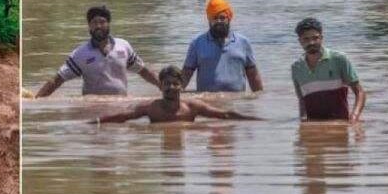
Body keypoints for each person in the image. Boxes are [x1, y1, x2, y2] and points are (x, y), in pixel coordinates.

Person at [35, 6, 160, 97]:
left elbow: (144, 71)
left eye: (102, 22)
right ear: (89, 26)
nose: (98, 26)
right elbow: (58, 79)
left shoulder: (123, 46)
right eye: (94, 23)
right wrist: (36, 100)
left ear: (108, 24)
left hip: (121, 104)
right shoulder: (81, 53)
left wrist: (162, 86)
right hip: (92, 107)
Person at [89, 66, 260, 124]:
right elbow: (123, 117)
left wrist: (254, 120)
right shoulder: (151, 108)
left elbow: (224, 114)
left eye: (175, 84)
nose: (171, 87)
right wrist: (96, 121)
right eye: (166, 84)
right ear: (160, 86)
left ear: (182, 87)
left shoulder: (192, 107)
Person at [182, 0, 263, 92]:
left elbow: (253, 75)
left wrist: (259, 101)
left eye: (222, 17)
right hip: (208, 104)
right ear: (209, 19)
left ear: (229, 18)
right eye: (215, 18)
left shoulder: (243, 42)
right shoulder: (197, 43)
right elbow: (186, 74)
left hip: (237, 104)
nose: (219, 21)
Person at [291, 18, 366, 122]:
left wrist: (354, 116)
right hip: (312, 126)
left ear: (321, 38)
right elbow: (301, 100)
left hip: (340, 124)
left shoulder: (339, 59)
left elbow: (360, 92)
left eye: (315, 38)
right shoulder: (296, 67)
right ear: (300, 41)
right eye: (306, 39)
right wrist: (303, 121)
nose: (311, 42)